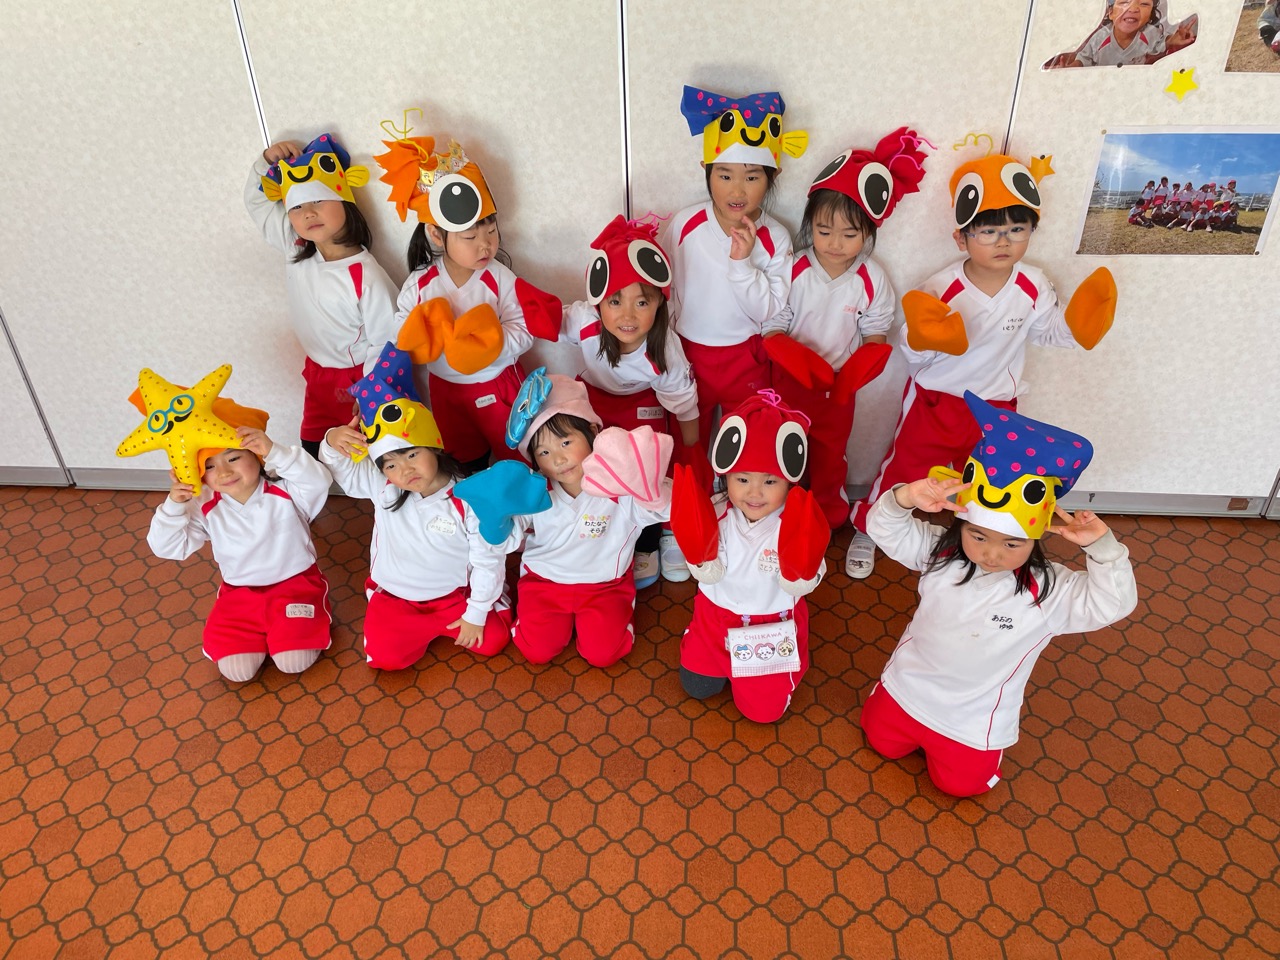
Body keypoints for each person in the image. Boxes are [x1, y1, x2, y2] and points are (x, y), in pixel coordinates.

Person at [847, 153, 1117, 579]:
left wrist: (1077, 326)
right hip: (936, 402)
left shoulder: (1032, 283)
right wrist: (926, 339)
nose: (1003, 241)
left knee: (991, 482)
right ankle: (868, 526)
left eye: (1016, 229)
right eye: (988, 231)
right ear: (962, 238)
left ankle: (980, 541)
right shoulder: (941, 287)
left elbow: (1048, 332)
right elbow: (912, 352)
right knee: (905, 468)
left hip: (997, 407)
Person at [860, 393, 1137, 797]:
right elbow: (884, 529)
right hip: (906, 691)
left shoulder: (1049, 590)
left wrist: (1103, 548)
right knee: (880, 742)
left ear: (1035, 538)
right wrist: (904, 497)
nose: (991, 554)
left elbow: (1112, 603)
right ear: (961, 526)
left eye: (1011, 544)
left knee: (962, 787)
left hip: (972, 722)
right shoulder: (941, 553)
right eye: (978, 536)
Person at [763, 128, 928, 561]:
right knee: (781, 449)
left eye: (849, 234)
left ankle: (826, 516)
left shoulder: (872, 279)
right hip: (788, 384)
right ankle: (776, 516)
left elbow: (876, 332)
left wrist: (856, 371)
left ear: (868, 232)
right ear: (809, 225)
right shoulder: (793, 270)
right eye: (823, 230)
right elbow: (772, 325)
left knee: (830, 455)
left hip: (838, 390)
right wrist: (796, 358)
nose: (835, 244)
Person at [374, 117, 560, 474]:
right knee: (462, 462)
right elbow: (399, 335)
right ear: (436, 235)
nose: (485, 245)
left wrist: (491, 346)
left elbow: (524, 328)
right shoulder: (420, 284)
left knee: (518, 458)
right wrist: (417, 334)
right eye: (470, 237)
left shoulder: (499, 277)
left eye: (491, 231)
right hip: (447, 392)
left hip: (499, 385)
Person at [319, 343, 511, 669]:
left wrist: (476, 613)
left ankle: (491, 601)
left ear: (434, 446)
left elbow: (486, 559)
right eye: (391, 464)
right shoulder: (384, 487)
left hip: (454, 597)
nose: (405, 470)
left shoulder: (469, 496)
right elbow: (345, 474)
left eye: (411, 454)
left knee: (493, 639)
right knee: (385, 660)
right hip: (398, 599)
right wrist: (331, 440)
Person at [668, 390, 830, 723]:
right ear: (726, 476)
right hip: (714, 620)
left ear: (789, 482)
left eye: (770, 481)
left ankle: (771, 678)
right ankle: (706, 652)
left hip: (771, 627)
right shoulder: (714, 511)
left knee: (762, 713)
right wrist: (700, 563)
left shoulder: (795, 520)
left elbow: (812, 568)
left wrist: (798, 577)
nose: (755, 493)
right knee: (697, 685)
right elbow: (696, 549)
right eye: (742, 479)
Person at [492, 371, 673, 668]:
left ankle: (616, 619)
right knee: (536, 651)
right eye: (544, 451)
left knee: (604, 654)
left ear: (592, 431)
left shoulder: (619, 485)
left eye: (565, 442)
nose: (558, 459)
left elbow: (665, 510)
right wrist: (495, 520)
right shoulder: (535, 491)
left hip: (605, 586)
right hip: (544, 583)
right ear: (535, 461)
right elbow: (508, 538)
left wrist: (648, 486)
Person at [146, 399, 334, 682]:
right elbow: (166, 547)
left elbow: (318, 480)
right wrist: (175, 505)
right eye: (209, 466)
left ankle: (292, 627)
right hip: (239, 596)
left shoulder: (287, 491)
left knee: (293, 661)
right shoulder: (205, 505)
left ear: (256, 455)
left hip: (296, 586)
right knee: (237, 671)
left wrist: (275, 451)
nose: (224, 472)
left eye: (233, 458)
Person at [664, 86, 808, 447]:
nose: (737, 191)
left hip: (747, 357)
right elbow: (664, 290)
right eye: (725, 175)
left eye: (752, 177)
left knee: (745, 446)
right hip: (688, 353)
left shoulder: (776, 237)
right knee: (687, 445)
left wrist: (742, 263)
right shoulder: (685, 225)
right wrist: (666, 345)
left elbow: (768, 310)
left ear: (773, 176)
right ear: (706, 171)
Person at [562, 215, 700, 586]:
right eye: (615, 301)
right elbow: (542, 321)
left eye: (642, 302)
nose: (627, 315)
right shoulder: (584, 322)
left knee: (650, 466)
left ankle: (653, 537)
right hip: (595, 403)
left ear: (659, 303)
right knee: (590, 463)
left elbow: (684, 402)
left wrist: (690, 455)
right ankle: (603, 531)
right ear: (598, 303)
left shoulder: (664, 347)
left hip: (643, 406)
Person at [245, 133, 399, 459]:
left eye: (318, 201)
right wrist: (265, 162)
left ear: (344, 201)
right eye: (297, 207)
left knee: (365, 453)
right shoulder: (296, 247)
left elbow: (388, 341)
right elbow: (257, 203)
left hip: (357, 381)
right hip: (317, 374)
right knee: (314, 448)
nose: (308, 214)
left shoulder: (366, 276)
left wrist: (372, 391)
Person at [1068, 0, 1168, 67]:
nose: (1133, 9)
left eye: (1144, 4)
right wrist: (1072, 67)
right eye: (1124, 2)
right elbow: (1084, 59)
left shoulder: (1152, 34)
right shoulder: (1101, 37)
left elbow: (1165, 45)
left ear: (1150, 15)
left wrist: (1172, 39)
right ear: (1110, 12)